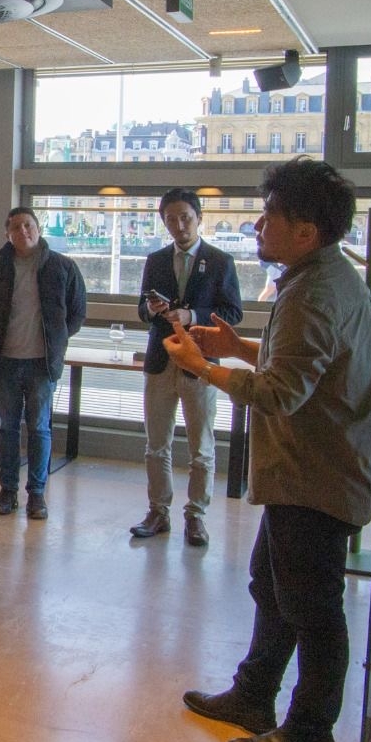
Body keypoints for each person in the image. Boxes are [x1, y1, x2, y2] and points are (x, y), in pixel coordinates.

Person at [167, 157, 371, 742]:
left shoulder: (313, 292)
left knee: (313, 610)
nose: (258, 226)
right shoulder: (325, 276)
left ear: (306, 231)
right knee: (271, 585)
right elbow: (309, 360)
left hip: (317, 479)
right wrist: (238, 346)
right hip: (308, 475)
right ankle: (254, 692)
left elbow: (280, 392)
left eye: (269, 216)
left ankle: (310, 734)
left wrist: (205, 368)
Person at [131, 188, 243, 545]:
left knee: (201, 447)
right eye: (171, 219)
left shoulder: (220, 261)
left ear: (199, 218)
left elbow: (233, 313)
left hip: (201, 363)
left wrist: (192, 315)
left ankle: (196, 515)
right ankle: (158, 510)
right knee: (156, 444)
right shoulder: (156, 260)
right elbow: (141, 309)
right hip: (161, 360)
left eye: (185, 218)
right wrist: (151, 310)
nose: (179, 226)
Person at [0, 208, 88, 520]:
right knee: (8, 429)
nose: (22, 231)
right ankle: (7, 491)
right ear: (8, 234)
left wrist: (56, 338)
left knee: (39, 429)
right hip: (5, 363)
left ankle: (37, 494)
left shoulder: (62, 266)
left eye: (28, 225)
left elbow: (77, 312)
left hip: (42, 364)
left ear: (38, 229)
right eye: (15, 227)